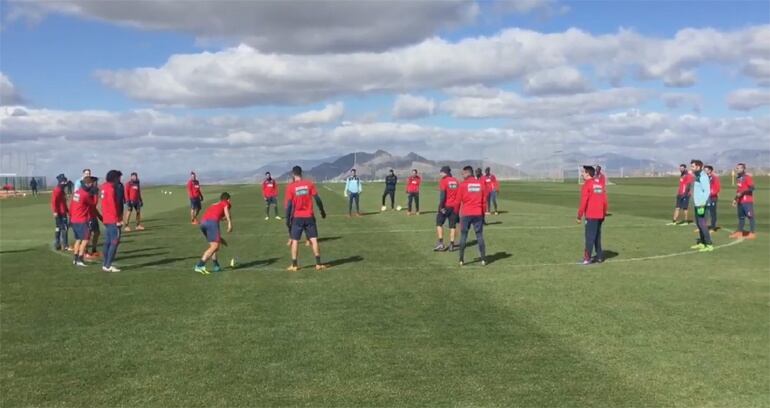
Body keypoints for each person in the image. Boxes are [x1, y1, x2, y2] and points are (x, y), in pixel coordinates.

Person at [285, 166, 328, 271]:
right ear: (301, 173)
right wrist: (322, 211)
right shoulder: (309, 184)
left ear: (293, 174)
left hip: (297, 217)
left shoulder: (291, 187)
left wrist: (287, 219)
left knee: (295, 241)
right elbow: (317, 199)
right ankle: (318, 264)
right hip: (309, 216)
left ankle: (294, 265)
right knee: (314, 239)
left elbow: (289, 205)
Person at [194, 192, 233, 274]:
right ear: (228, 199)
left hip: (203, 222)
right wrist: (229, 223)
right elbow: (226, 211)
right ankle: (200, 265)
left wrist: (220, 239)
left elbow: (215, 215)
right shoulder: (225, 203)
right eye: (230, 200)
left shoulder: (214, 204)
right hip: (212, 222)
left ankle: (216, 266)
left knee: (213, 246)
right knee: (215, 246)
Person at [457, 166, 487, 266]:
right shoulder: (480, 184)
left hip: (466, 214)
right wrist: (483, 214)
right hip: (478, 213)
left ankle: (461, 260)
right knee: (479, 235)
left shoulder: (462, 185)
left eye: (463, 173)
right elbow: (484, 201)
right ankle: (483, 259)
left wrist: (457, 214)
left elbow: (458, 201)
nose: (462, 175)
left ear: (467, 173)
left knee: (463, 236)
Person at [577, 166, 608, 265]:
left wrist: (579, 215)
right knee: (597, 236)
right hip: (600, 215)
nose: (582, 174)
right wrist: (604, 213)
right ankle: (599, 257)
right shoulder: (599, 184)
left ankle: (587, 258)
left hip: (591, 215)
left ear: (587, 173)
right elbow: (605, 200)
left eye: (583, 172)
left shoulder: (587, 185)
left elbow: (583, 202)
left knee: (589, 237)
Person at [69, 176, 97, 267]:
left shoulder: (76, 193)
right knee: (85, 239)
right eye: (91, 184)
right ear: (88, 184)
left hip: (74, 219)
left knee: (78, 239)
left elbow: (72, 206)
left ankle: (75, 258)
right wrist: (95, 195)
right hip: (82, 220)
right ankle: (80, 259)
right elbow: (93, 204)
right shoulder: (85, 194)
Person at [100, 170, 124, 272]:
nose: (120, 180)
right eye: (119, 178)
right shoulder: (110, 189)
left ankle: (105, 264)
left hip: (106, 218)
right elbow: (112, 205)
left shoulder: (104, 187)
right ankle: (108, 265)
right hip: (112, 219)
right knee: (114, 242)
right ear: (115, 178)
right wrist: (117, 219)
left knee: (108, 242)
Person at [689, 160, 713, 252]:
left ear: (698, 167)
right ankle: (702, 243)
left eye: (693, 166)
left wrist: (702, 204)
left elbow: (706, 191)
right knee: (699, 224)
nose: (691, 168)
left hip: (702, 205)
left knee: (702, 224)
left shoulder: (703, 177)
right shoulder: (697, 176)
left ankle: (709, 244)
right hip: (697, 204)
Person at [434, 166, 460, 252]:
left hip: (446, 206)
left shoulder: (444, 181)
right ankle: (452, 244)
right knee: (452, 226)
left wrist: (441, 206)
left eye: (441, 172)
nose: (440, 174)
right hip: (455, 206)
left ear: (445, 172)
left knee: (439, 223)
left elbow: (443, 195)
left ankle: (441, 243)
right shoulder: (456, 181)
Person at [730, 163, 757, 240]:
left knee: (750, 217)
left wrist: (743, 192)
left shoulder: (747, 177)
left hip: (747, 201)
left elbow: (752, 188)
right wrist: (735, 199)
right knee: (741, 217)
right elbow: (739, 190)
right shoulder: (738, 178)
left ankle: (752, 233)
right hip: (740, 201)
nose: (737, 169)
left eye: (739, 168)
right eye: (736, 168)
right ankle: (739, 232)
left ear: (743, 169)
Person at [51, 174, 70, 251]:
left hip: (62, 211)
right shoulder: (57, 190)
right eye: (64, 181)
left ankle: (57, 244)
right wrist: (55, 211)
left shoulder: (61, 191)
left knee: (58, 228)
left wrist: (68, 211)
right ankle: (65, 245)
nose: (65, 183)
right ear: (61, 182)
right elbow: (53, 201)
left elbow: (63, 203)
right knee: (64, 228)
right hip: (60, 213)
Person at [86, 176, 102, 259]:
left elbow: (93, 206)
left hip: (93, 215)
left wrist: (99, 216)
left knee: (97, 232)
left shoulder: (94, 190)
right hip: (89, 216)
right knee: (87, 234)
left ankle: (94, 250)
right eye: (95, 182)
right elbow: (93, 204)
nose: (97, 183)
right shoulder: (93, 191)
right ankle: (85, 251)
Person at [704, 165, 720, 231]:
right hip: (705, 198)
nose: (705, 171)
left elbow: (717, 188)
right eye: (704, 170)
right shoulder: (704, 178)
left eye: (706, 170)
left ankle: (713, 227)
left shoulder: (714, 178)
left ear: (710, 170)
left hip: (712, 198)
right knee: (704, 212)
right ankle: (703, 227)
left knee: (712, 212)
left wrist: (711, 193)